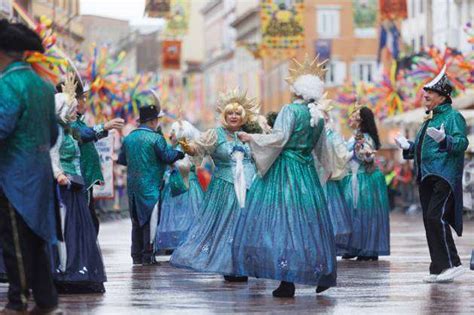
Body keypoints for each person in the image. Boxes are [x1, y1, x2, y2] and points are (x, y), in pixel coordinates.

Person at [234, 55, 337, 297]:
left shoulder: (290, 110)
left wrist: (252, 138)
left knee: (282, 223)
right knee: (310, 224)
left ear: (297, 90)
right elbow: (323, 150)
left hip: (285, 172)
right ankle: (322, 273)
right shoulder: (318, 117)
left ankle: (286, 280)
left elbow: (279, 138)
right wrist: (327, 171)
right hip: (307, 174)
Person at [170, 89, 260, 282]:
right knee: (228, 225)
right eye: (230, 113)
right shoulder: (215, 134)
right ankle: (229, 265)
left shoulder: (251, 134)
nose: (233, 117)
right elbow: (198, 148)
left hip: (249, 187)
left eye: (237, 113)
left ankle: (247, 263)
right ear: (224, 116)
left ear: (243, 115)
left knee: (248, 225)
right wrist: (187, 146)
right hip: (225, 188)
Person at [0, 19, 59, 313]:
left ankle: (17, 302)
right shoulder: (44, 85)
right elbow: (53, 135)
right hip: (40, 172)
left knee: (14, 241)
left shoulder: (7, 83)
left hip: (12, 176)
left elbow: (1, 126)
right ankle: (47, 301)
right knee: (35, 239)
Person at [395, 65, 468, 283]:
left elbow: (462, 143)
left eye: (430, 92)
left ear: (443, 96)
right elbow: (420, 147)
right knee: (431, 219)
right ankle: (442, 267)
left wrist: (445, 140)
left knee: (436, 217)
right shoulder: (429, 119)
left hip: (444, 175)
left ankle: (448, 265)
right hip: (426, 175)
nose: (425, 95)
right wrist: (407, 145)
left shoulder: (454, 117)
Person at [49, 73, 107, 294]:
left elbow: (82, 144)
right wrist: (58, 174)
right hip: (63, 187)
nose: (75, 112)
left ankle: (77, 270)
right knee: (64, 229)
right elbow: (52, 155)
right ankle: (63, 271)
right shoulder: (56, 130)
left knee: (79, 230)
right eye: (72, 109)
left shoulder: (70, 130)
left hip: (76, 185)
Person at [118, 98, 185, 266]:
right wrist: (180, 150)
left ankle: (136, 256)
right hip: (151, 186)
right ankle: (148, 255)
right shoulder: (156, 138)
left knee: (136, 221)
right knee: (150, 218)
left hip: (133, 187)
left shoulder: (128, 138)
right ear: (154, 121)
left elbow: (122, 160)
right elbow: (167, 156)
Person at [57, 80, 124, 236]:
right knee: (82, 221)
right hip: (72, 178)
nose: (84, 102)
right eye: (82, 98)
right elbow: (83, 134)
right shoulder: (65, 125)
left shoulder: (75, 123)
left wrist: (104, 128)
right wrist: (104, 126)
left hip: (82, 177)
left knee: (89, 220)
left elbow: (87, 133)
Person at [340, 105, 390, 261]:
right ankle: (355, 246)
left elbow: (367, 157)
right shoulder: (355, 135)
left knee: (363, 213)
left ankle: (365, 247)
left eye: (354, 114)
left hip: (363, 179)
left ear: (360, 119)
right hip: (353, 177)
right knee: (352, 213)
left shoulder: (365, 137)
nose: (351, 117)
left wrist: (366, 155)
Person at [155, 120, 204, 252]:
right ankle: (178, 242)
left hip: (187, 185)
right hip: (175, 185)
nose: (170, 135)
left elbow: (187, 166)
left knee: (186, 214)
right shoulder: (174, 149)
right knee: (179, 214)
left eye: (173, 132)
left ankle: (186, 241)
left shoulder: (188, 149)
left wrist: (173, 164)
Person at [318, 98, 353, 254]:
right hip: (313, 179)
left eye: (325, 117)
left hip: (328, 180)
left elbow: (342, 153)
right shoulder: (313, 134)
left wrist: (351, 154)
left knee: (330, 214)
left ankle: (326, 247)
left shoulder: (333, 135)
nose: (324, 120)